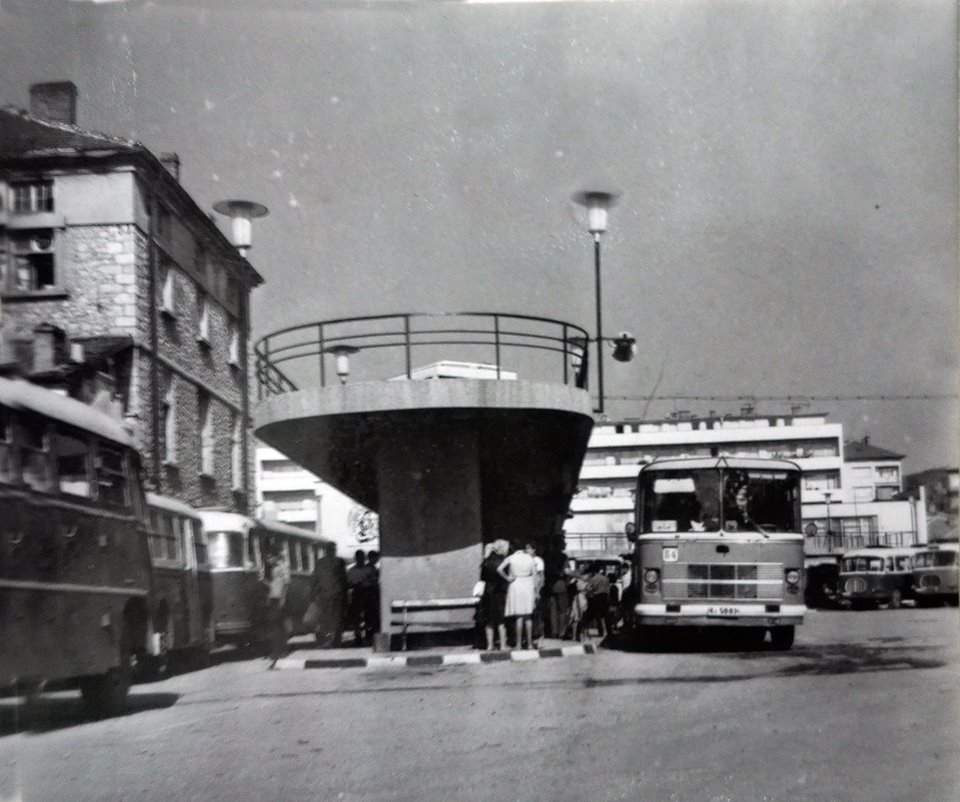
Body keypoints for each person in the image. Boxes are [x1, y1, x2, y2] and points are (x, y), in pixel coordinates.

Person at [497, 542, 539, 650]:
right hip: (528, 584)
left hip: (516, 584)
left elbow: (499, 569)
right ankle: (529, 644)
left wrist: (507, 578)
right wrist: (536, 591)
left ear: (512, 547)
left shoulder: (511, 557)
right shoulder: (530, 558)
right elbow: (535, 574)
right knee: (528, 617)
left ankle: (519, 644)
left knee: (519, 617)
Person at [261, 543, 290, 668]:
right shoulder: (271, 568)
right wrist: (264, 581)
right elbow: (273, 585)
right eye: (267, 558)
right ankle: (278, 650)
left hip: (279, 599)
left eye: (270, 557)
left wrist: (283, 599)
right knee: (275, 626)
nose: (268, 560)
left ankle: (279, 651)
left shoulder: (282, 566)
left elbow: (286, 583)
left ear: (275, 556)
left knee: (277, 626)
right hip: (273, 598)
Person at [311, 543, 345, 647]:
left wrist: (313, 595)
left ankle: (324, 640)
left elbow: (314, 580)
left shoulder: (319, 562)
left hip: (323, 595)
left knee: (323, 619)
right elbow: (343, 578)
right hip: (336, 594)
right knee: (337, 618)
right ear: (334, 550)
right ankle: (336, 641)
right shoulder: (340, 561)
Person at [478, 541, 509, 651]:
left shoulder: (486, 561)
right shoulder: (503, 560)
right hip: (499, 591)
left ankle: (490, 645)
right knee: (501, 620)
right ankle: (503, 645)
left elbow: (482, 578)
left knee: (489, 619)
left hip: (488, 591)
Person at [346, 550, 370, 646]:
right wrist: (354, 584)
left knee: (368, 616)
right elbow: (348, 583)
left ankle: (368, 636)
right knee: (356, 617)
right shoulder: (351, 570)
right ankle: (358, 636)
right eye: (359, 557)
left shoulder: (369, 569)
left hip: (368, 594)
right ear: (356, 558)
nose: (361, 559)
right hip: (356, 594)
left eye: (362, 557)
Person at [364, 550, 382, 640]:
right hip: (369, 594)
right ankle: (370, 635)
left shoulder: (373, 567)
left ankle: (372, 634)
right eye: (376, 558)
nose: (377, 560)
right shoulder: (368, 568)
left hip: (373, 594)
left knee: (373, 615)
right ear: (371, 558)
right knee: (370, 615)